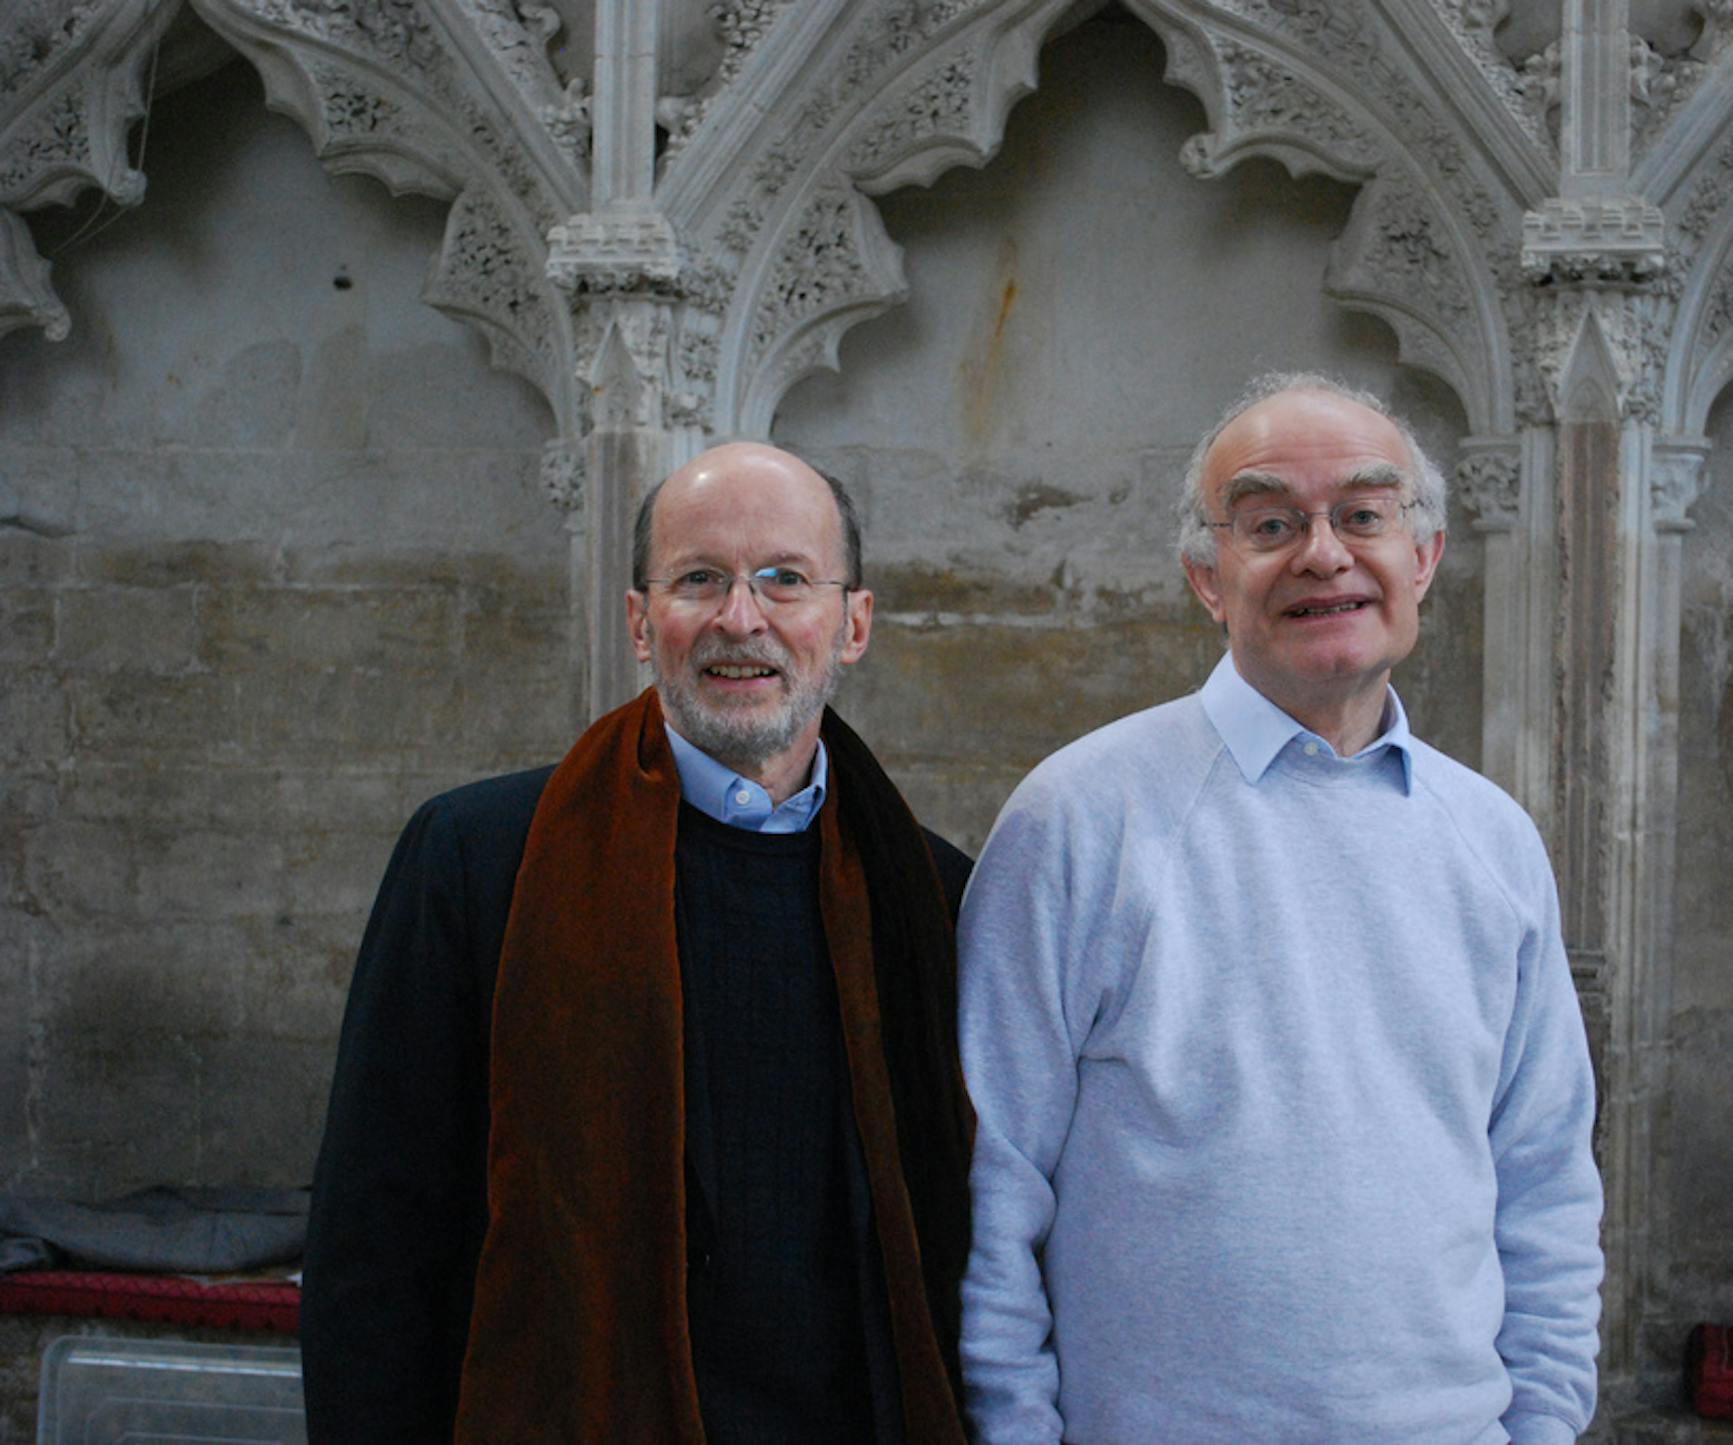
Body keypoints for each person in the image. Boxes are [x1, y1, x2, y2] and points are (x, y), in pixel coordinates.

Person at [958, 374, 1604, 1443]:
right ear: (1207, 576)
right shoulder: (1079, 819)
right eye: (1270, 522)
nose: (1323, 553)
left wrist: (1538, 1427)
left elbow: (1545, 1183)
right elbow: (993, 1185)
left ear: (1425, 557)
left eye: (1364, 513)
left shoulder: (1491, 840)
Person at [302, 443, 973, 1444]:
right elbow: (377, 1240)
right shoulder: (482, 858)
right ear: (637, 620)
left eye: (784, 579)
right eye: (699, 578)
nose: (740, 618)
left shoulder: (931, 892)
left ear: (854, 623)